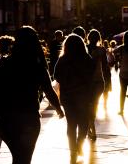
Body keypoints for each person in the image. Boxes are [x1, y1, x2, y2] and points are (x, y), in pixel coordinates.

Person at [0, 25, 64, 164]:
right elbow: (48, 90)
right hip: (29, 118)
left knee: (17, 156)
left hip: (6, 119)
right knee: (24, 158)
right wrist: (58, 109)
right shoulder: (37, 65)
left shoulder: (3, 63)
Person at [53, 33, 95, 163]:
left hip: (67, 96)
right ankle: (79, 145)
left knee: (71, 125)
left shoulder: (63, 59)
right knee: (84, 123)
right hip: (83, 96)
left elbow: (56, 76)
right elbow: (92, 75)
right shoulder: (86, 58)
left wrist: (67, 81)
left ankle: (73, 152)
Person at [86, 29, 110, 141]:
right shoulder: (101, 50)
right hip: (99, 81)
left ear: (89, 37)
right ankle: (91, 126)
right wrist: (108, 81)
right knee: (94, 104)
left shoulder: (84, 49)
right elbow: (105, 67)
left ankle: (89, 126)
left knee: (88, 104)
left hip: (87, 82)